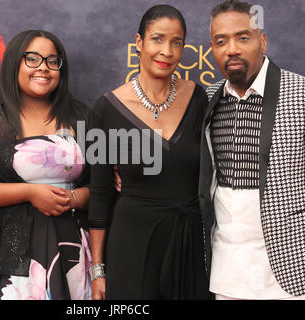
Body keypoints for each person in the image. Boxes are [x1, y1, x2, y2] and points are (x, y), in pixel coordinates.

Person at [0, 30, 92, 300]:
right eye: (32, 59)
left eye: (52, 60)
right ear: (14, 63)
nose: (43, 68)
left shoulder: (83, 116)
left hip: (70, 253)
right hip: (2, 259)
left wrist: (74, 198)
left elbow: (107, 184)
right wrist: (30, 193)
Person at [199, 0, 305, 300]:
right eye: (221, 41)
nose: (232, 48)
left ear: (262, 41)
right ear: (212, 48)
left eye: (243, 37)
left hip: (293, 279)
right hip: (226, 275)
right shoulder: (210, 98)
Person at [88, 4, 212, 300]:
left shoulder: (198, 98)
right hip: (132, 244)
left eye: (176, 42)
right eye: (158, 39)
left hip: (190, 242)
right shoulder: (106, 109)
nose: (167, 51)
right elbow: (100, 193)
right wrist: (98, 270)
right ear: (139, 43)